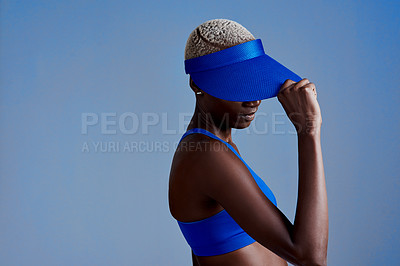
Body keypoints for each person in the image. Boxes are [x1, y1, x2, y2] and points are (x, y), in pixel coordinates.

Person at [168, 19, 328, 266]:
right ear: (196, 85)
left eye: (254, 81)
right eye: (237, 85)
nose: (253, 100)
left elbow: (206, 249)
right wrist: (308, 132)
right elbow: (310, 256)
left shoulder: (215, 146)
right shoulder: (207, 155)